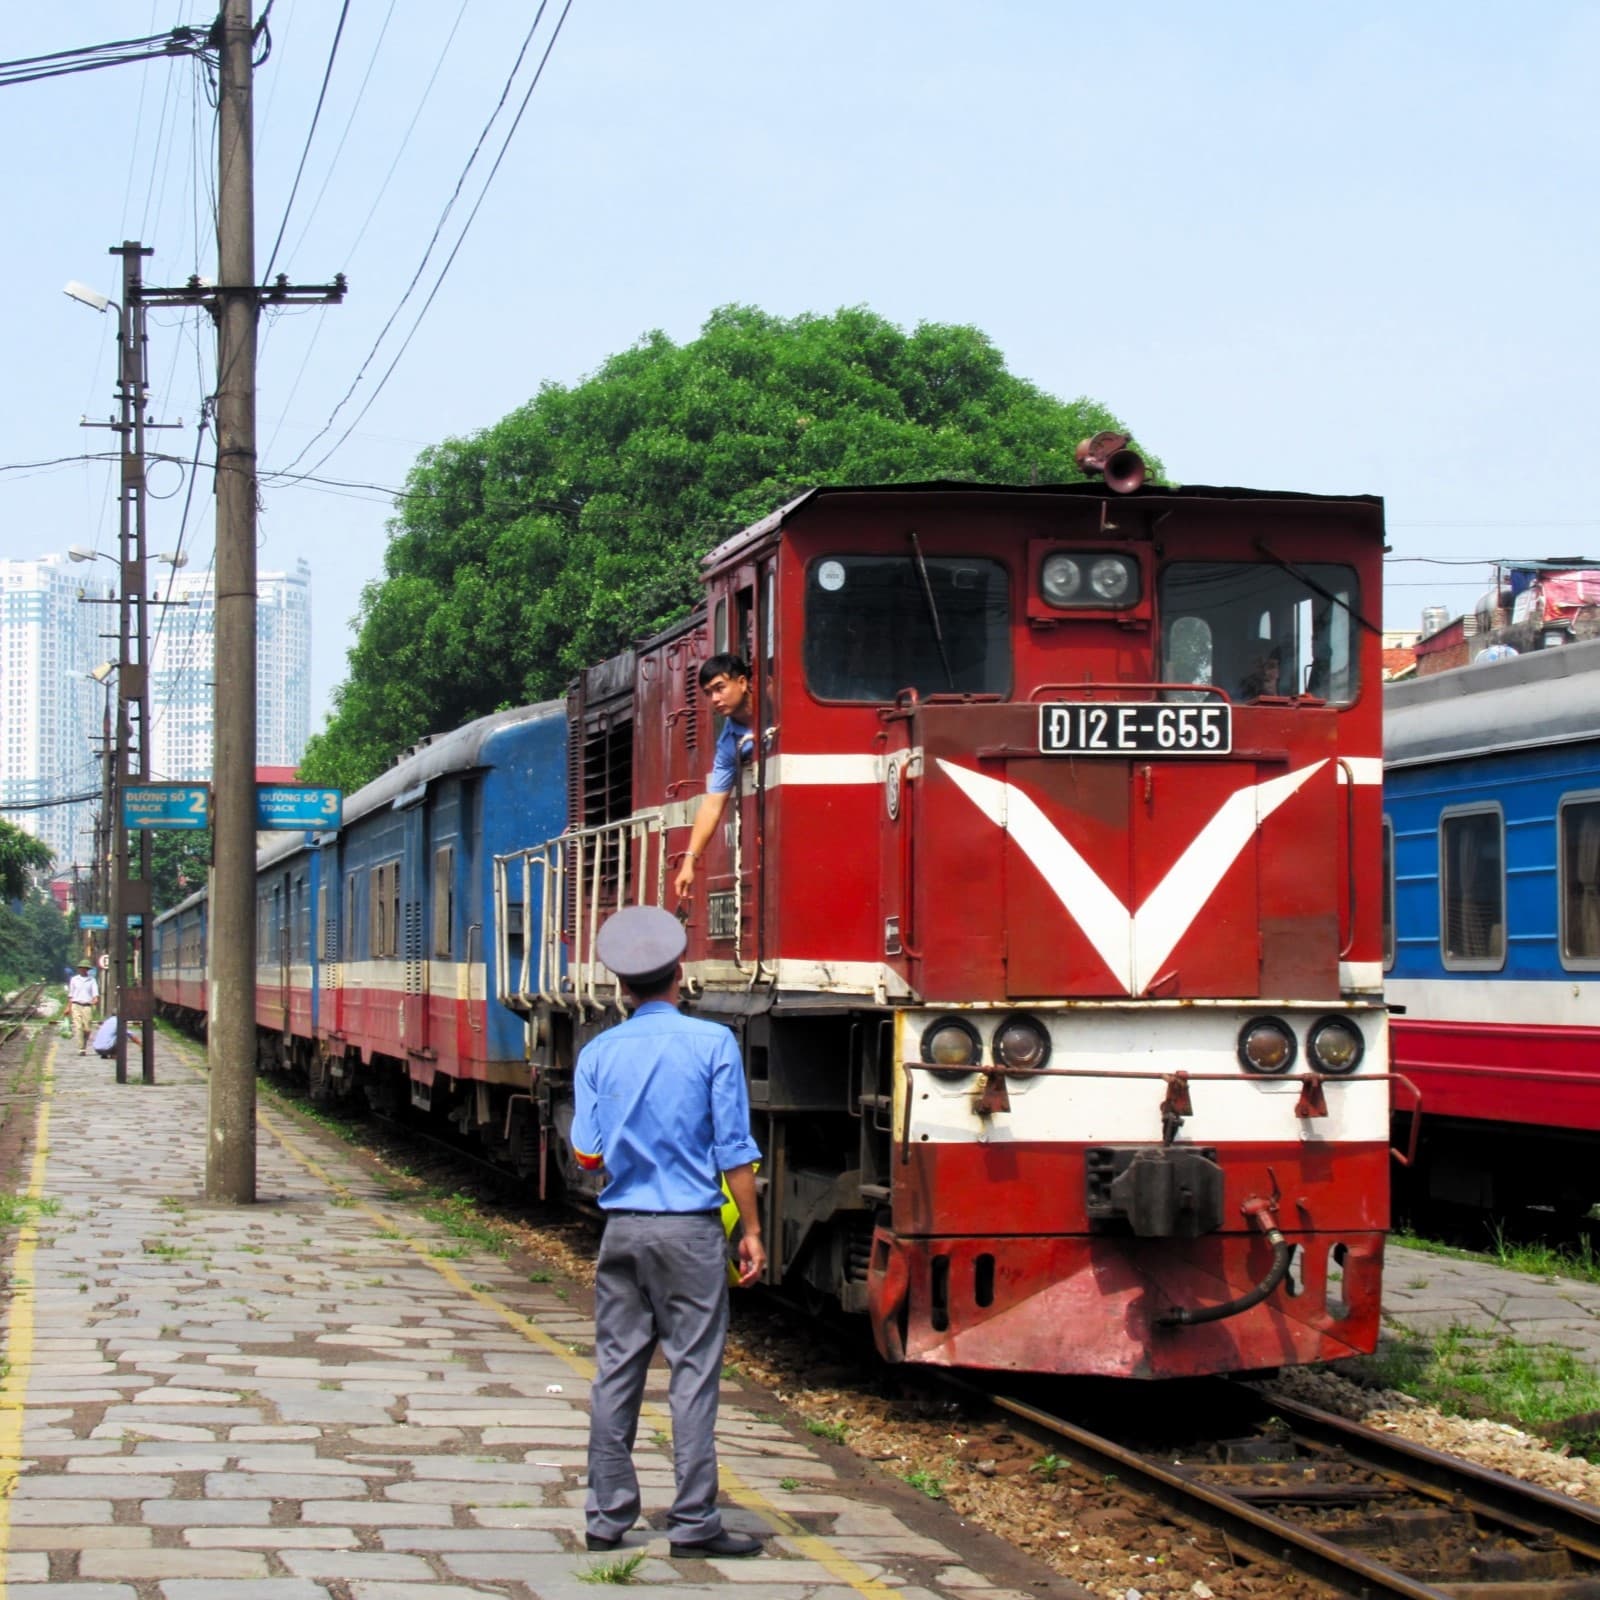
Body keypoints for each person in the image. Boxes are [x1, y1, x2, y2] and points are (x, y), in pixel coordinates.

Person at [571, 904, 766, 1559]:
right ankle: (693, 1522)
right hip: (690, 1233)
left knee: (615, 1371)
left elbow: (587, 1154)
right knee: (693, 1373)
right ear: (679, 974)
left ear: (622, 985)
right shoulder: (713, 1044)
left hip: (623, 1231)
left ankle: (605, 1518)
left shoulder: (597, 1053)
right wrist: (751, 1230)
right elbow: (734, 1150)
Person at [672, 654, 756, 900]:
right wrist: (689, 862)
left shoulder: (779, 700)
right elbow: (712, 805)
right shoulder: (728, 745)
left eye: (720, 688)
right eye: (708, 693)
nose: (715, 699)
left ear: (742, 683)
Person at [66, 960, 99, 1055]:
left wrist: (95, 999)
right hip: (76, 1005)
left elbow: (95, 993)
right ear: (79, 969)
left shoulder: (91, 980)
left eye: (85, 968)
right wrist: (68, 1007)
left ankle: (84, 1044)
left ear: (87, 969)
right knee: (78, 1027)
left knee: (87, 1029)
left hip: (87, 1006)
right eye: (81, 968)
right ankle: (81, 1048)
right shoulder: (74, 979)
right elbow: (71, 995)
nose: (83, 970)